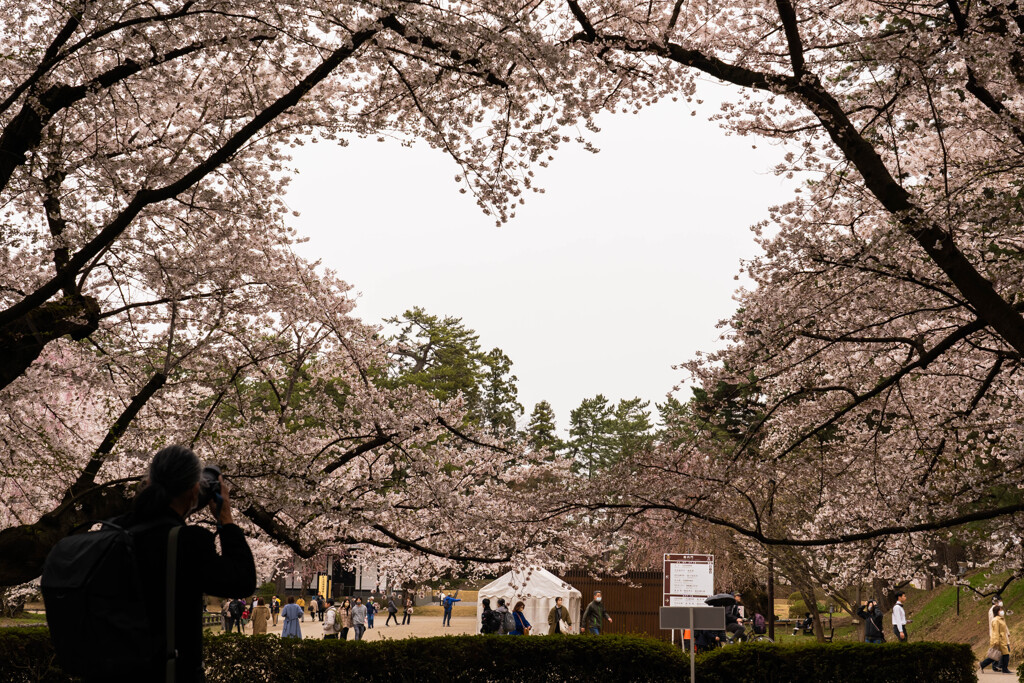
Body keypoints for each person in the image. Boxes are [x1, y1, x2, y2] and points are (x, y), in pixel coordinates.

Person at [116, 445, 256, 681]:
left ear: (149, 482)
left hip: (115, 671)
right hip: (170, 674)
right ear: (194, 491)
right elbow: (242, 580)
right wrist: (225, 518)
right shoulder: (188, 542)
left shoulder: (116, 531)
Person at [981, 605, 1013, 673]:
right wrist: (996, 641)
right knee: (1002, 654)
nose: (1002, 611)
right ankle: (1004, 668)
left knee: (999, 655)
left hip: (1003, 639)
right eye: (1000, 610)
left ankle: (983, 664)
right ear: (997, 611)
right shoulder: (995, 620)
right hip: (999, 640)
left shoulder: (1001, 619)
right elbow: (995, 632)